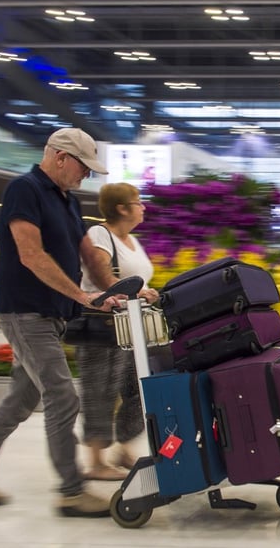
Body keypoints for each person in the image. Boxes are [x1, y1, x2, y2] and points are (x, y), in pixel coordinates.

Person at [0, 128, 119, 517]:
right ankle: (71, 491)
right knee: (62, 395)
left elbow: (88, 254)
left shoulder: (66, 201)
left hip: (51, 314)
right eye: (83, 167)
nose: (86, 175)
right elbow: (30, 254)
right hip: (24, 312)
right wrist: (81, 296)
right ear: (60, 157)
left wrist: (117, 289)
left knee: (20, 400)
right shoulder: (23, 190)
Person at [76, 183, 159, 481]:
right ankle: (96, 461)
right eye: (138, 202)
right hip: (102, 325)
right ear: (121, 208)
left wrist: (149, 293)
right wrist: (130, 292)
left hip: (131, 328)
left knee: (136, 388)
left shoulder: (133, 240)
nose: (143, 207)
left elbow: (138, 280)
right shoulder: (100, 234)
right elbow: (101, 274)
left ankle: (123, 447)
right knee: (100, 390)